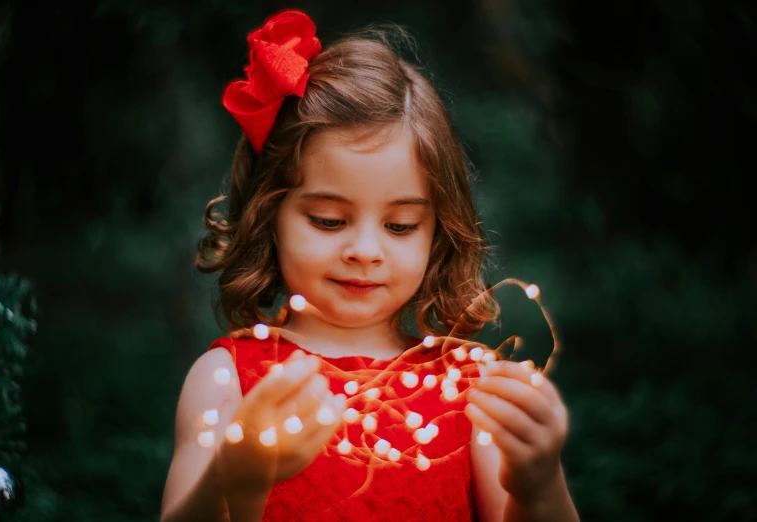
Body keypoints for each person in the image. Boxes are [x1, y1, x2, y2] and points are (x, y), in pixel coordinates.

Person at [160, 9, 579, 522]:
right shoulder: (229, 381)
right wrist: (236, 480)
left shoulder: (471, 391)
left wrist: (539, 486)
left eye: (400, 226)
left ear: (439, 231)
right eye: (329, 220)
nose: (365, 250)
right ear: (270, 214)